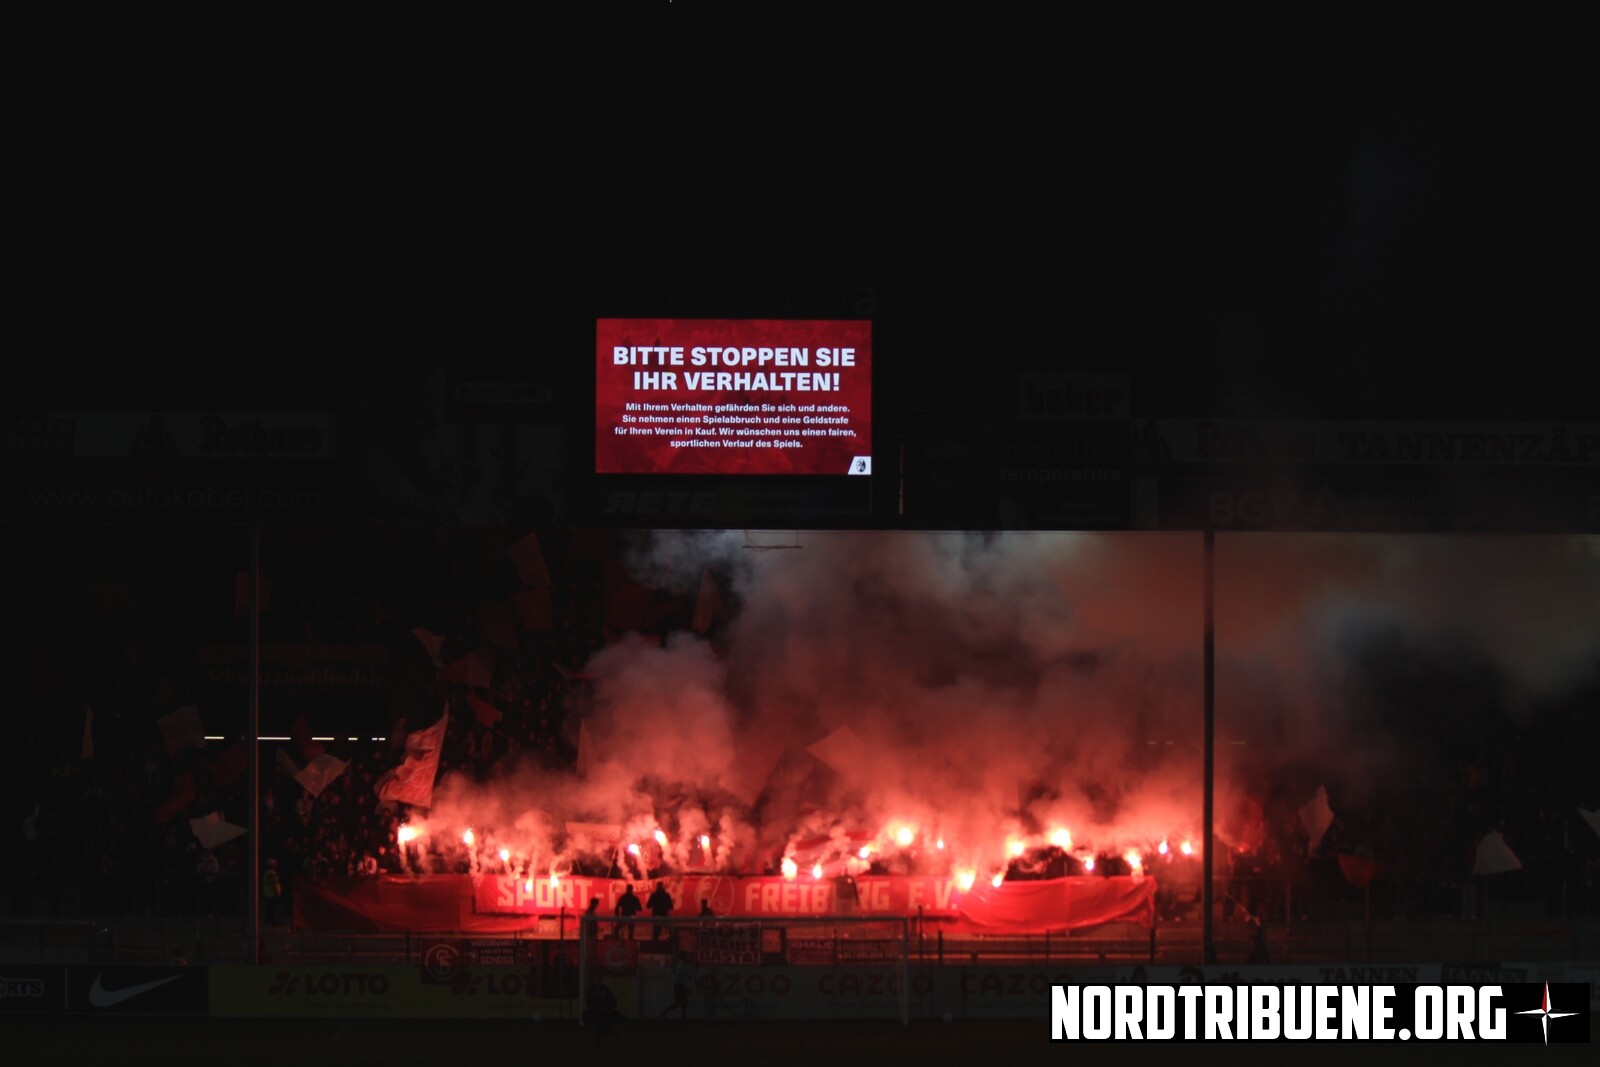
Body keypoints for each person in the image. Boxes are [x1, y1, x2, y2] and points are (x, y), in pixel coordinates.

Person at [584, 979, 623, 1046]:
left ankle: (597, 1043)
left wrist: (607, 1006)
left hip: (603, 1012)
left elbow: (613, 1000)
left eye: (599, 980)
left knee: (599, 1028)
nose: (598, 982)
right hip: (595, 1011)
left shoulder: (606, 990)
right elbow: (589, 1000)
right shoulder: (592, 990)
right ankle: (611, 1031)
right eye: (597, 980)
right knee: (598, 1028)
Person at [661, 952, 691, 1020]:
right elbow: (684, 977)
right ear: (684, 957)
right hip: (680, 986)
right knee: (682, 1002)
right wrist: (687, 987)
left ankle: (665, 1012)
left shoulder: (679, 964)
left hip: (677, 985)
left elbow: (676, 973)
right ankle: (666, 1012)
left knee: (681, 1002)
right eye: (687, 957)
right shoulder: (683, 965)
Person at [262, 858, 283, 925]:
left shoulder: (267, 872)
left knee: (269, 907)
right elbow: (274, 883)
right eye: (274, 864)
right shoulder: (271, 873)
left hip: (268, 893)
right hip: (271, 893)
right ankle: (271, 921)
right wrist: (276, 891)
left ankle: (268, 920)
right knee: (272, 908)